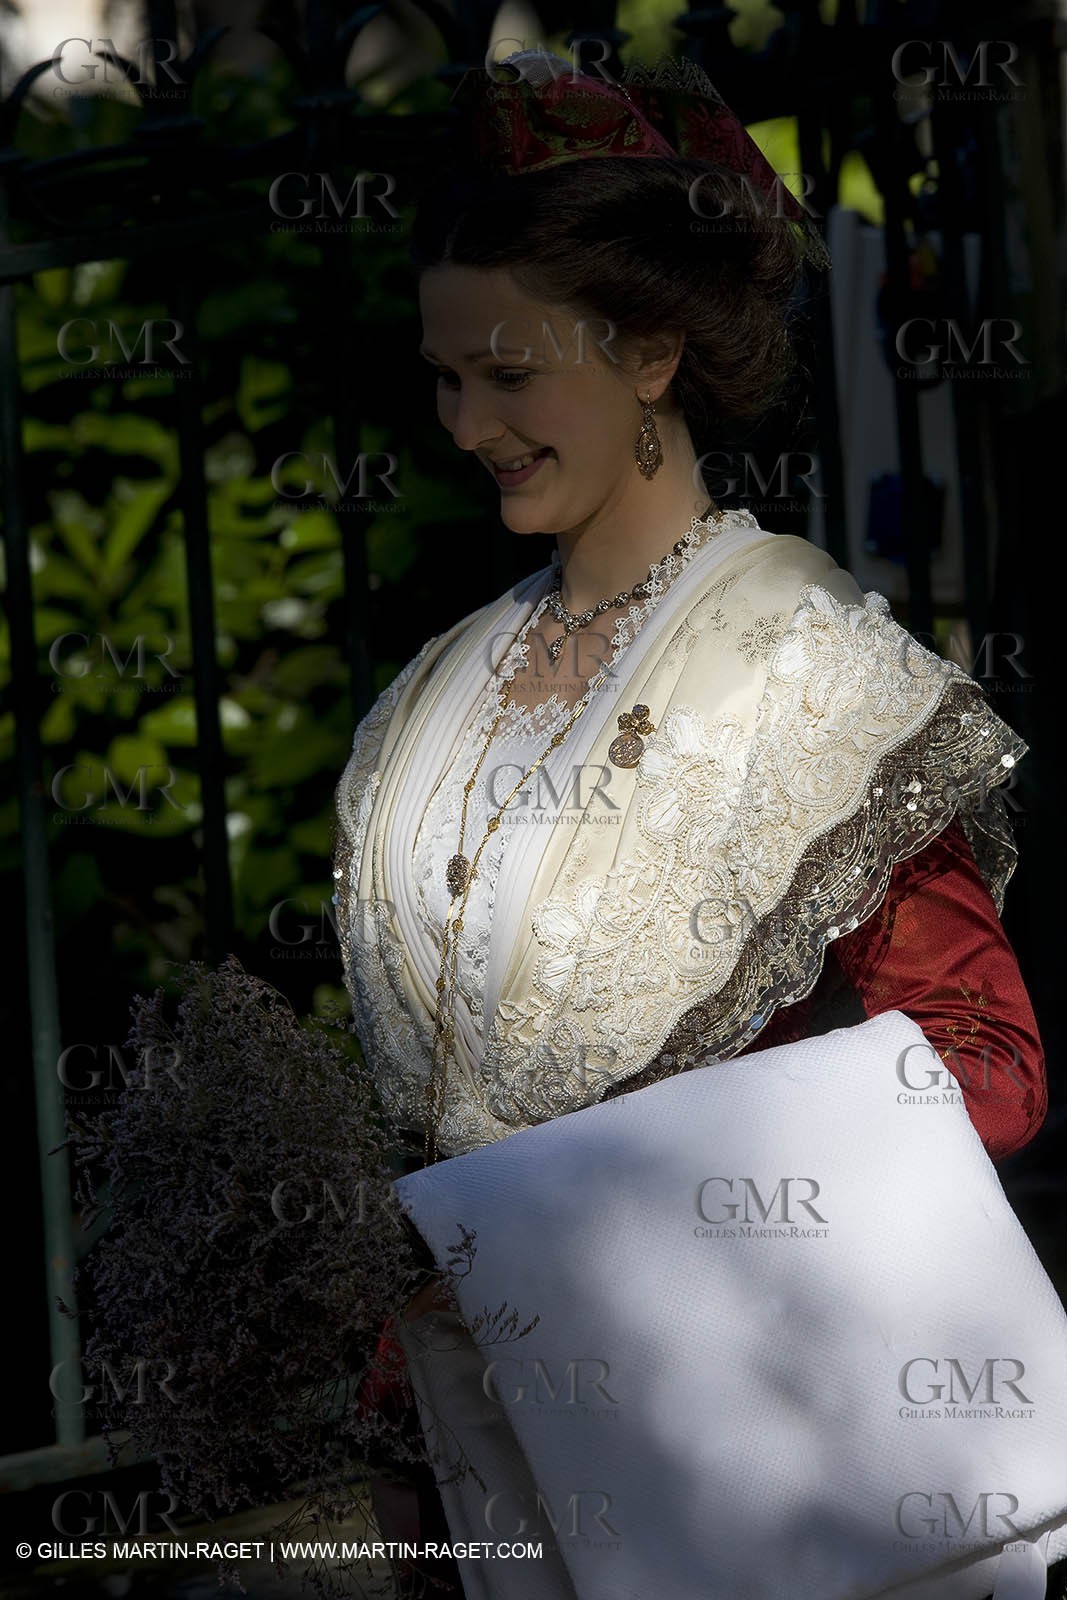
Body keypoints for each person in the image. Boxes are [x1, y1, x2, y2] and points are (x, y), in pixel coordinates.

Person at [334, 51, 1047, 1599]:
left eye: (511, 376)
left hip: (754, 1455)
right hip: (495, 1459)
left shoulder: (811, 664)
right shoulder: (425, 701)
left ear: (652, 351)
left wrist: (621, 1214)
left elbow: (989, 1070)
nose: (467, 424)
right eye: (445, 379)